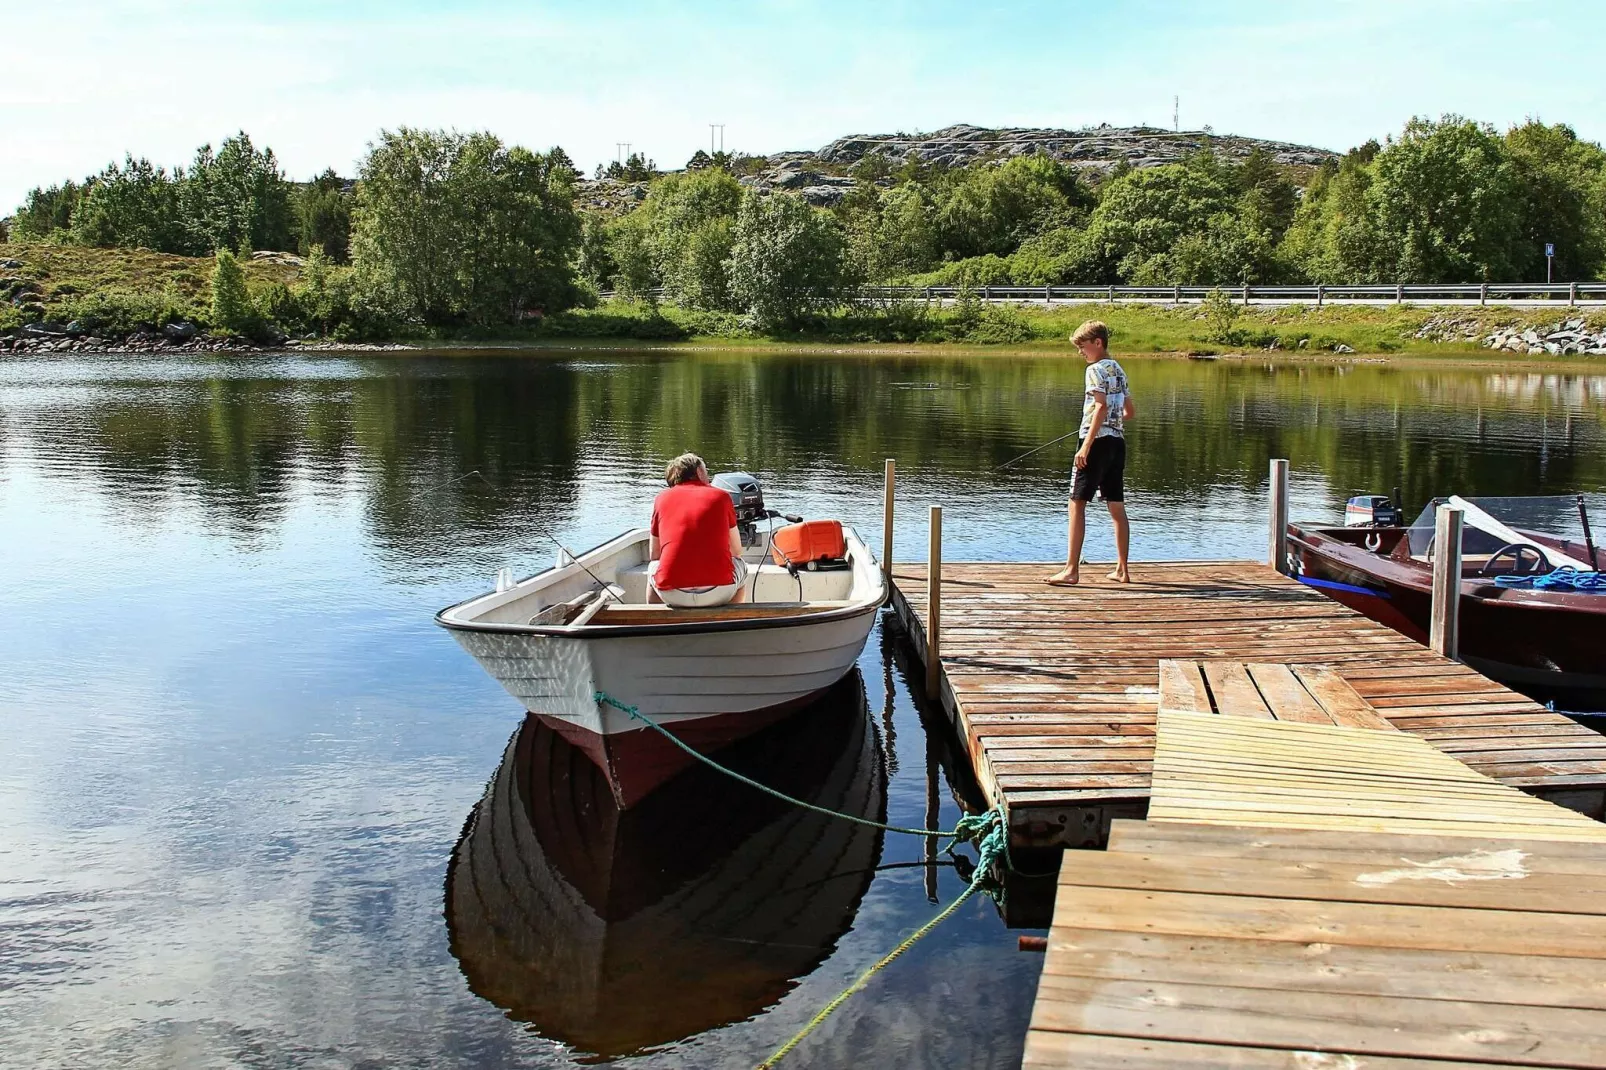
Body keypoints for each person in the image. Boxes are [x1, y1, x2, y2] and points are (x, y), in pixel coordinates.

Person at [1047, 320, 1134, 586]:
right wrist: (1111, 421)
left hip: (1094, 442)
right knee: (1116, 506)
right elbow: (1129, 412)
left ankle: (1071, 569)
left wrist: (1086, 445)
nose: (1081, 353)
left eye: (1083, 347)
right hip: (1117, 443)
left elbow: (1100, 406)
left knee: (1076, 503)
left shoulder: (1095, 369)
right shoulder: (1118, 370)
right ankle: (1122, 569)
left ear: (1098, 343)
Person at [648, 452, 749, 607]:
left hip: (673, 594)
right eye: (706, 471)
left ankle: (654, 621)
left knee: (653, 568)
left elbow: (655, 554)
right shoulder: (722, 496)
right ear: (699, 472)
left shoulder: (661, 498)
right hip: (718, 592)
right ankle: (732, 619)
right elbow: (736, 551)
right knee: (741, 565)